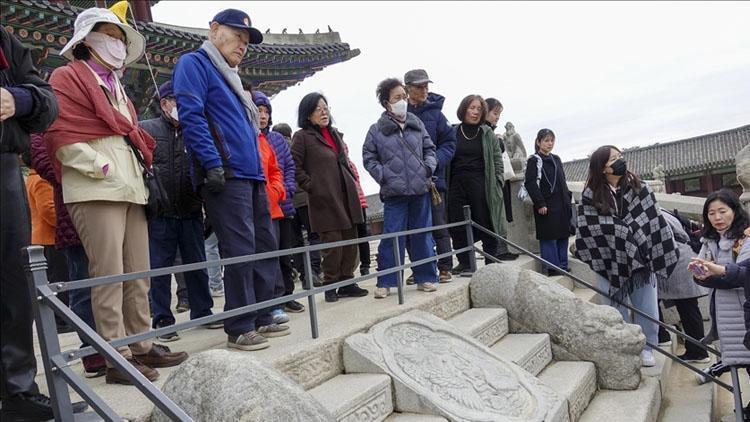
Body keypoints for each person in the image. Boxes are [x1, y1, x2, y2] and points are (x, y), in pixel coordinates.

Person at [44, 7, 189, 384]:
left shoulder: (117, 85)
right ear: (85, 39)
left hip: (130, 186)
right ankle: (116, 355)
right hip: (95, 187)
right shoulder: (66, 76)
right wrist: (100, 166)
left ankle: (141, 344)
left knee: (138, 273)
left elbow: (125, 133)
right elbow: (60, 136)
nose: (118, 43)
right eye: (109, 34)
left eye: (121, 37)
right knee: (107, 275)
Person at [173, 8, 288, 351]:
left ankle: (262, 313)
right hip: (226, 172)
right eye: (237, 36)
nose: (242, 45)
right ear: (214, 30)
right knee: (239, 249)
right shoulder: (195, 64)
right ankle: (239, 324)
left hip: (251, 173)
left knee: (264, 244)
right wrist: (211, 163)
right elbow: (192, 115)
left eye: (246, 40)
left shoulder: (233, 78)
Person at [1, 26, 89, 420]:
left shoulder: (4, 41)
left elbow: (45, 100)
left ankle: (19, 391)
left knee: (13, 286)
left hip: (3, 167)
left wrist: (16, 99)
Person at [574, 145, 679, 367]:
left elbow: (651, 219)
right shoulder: (590, 195)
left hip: (642, 256)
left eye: (620, 156)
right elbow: (588, 227)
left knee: (647, 306)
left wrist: (627, 231)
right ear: (602, 168)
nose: (620, 161)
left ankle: (648, 346)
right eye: (614, 159)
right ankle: (623, 346)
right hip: (608, 259)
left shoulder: (640, 188)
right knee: (614, 307)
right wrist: (621, 232)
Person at [140, 81, 218, 342]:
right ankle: (162, 318)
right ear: (164, 103)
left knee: (196, 263)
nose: (182, 106)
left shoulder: (196, 131)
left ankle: (203, 309)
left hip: (191, 207)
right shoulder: (147, 129)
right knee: (159, 268)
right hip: (160, 211)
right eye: (177, 100)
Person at [30, 134, 107, 378]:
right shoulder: (39, 132)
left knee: (111, 284)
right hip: (71, 222)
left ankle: (120, 344)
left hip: (101, 210)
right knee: (83, 289)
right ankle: (91, 350)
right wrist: (87, 167)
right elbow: (47, 164)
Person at [363, 78, 438, 299]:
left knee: (422, 235)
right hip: (394, 193)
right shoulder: (376, 130)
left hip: (420, 189)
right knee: (391, 236)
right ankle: (386, 280)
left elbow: (429, 149)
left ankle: (426, 276)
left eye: (404, 97)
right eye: (397, 98)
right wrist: (383, 175)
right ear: (387, 102)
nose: (402, 101)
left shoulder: (417, 123)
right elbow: (369, 158)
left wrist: (428, 167)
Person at [291, 92, 368, 302]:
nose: (323, 112)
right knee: (333, 244)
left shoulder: (334, 134)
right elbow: (294, 166)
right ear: (308, 115)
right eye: (318, 109)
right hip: (324, 198)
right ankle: (331, 285)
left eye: (325, 108)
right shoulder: (302, 137)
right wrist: (311, 186)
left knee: (350, 241)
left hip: (346, 194)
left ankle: (347, 281)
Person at [253, 91, 305, 317]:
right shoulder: (249, 138)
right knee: (268, 253)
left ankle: (287, 295)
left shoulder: (278, 140)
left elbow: (289, 168)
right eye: (259, 111)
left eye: (266, 112)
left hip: (283, 203)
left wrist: (287, 189)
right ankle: (271, 299)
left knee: (285, 253)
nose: (263, 116)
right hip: (261, 204)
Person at [690, 191, 750, 383]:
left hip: (744, 308)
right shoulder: (709, 239)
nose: (717, 217)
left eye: (722, 211)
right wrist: (699, 274)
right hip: (724, 311)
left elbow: (743, 275)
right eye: (711, 213)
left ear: (734, 210)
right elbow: (704, 272)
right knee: (739, 357)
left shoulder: (746, 237)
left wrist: (713, 273)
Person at [447, 95, 509, 275]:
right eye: (471, 108)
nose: (475, 112)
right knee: (457, 223)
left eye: (479, 109)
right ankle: (465, 261)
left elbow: (497, 160)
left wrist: (498, 180)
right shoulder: (453, 131)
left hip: (481, 181)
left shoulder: (486, 133)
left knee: (485, 220)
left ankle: (491, 261)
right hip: (457, 182)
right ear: (464, 109)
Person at [404, 69, 456, 282]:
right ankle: (419, 268)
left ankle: (444, 266)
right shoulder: (399, 113)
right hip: (408, 182)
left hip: (434, 180)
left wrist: (435, 163)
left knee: (438, 224)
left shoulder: (436, 114)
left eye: (426, 86)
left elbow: (449, 143)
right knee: (413, 228)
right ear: (408, 88)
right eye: (419, 86)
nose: (424, 90)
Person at [23, 150, 74, 334]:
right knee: (59, 280)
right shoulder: (41, 179)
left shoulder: (33, 178)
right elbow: (48, 209)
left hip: (45, 238)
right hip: (49, 238)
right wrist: (66, 225)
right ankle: (60, 320)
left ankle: (60, 318)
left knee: (57, 278)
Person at [656, 209, 710, 363]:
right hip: (685, 257)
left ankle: (698, 352)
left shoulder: (654, 214)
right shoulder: (662, 210)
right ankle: (697, 350)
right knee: (689, 308)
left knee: (687, 308)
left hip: (678, 263)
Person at [275, 122, 324, 290]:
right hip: (305, 199)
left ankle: (304, 276)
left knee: (295, 242)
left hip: (287, 202)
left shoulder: (274, 148)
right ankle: (315, 271)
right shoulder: (299, 146)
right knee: (314, 236)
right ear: (290, 134)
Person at [524, 129, 572, 275]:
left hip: (562, 202)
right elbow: (530, 183)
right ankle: (552, 268)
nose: (550, 143)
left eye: (552, 140)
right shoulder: (534, 160)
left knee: (563, 234)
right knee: (549, 237)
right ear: (538, 142)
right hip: (546, 204)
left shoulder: (556, 159)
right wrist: (540, 203)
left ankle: (562, 265)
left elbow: (562, 181)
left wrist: (568, 200)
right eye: (546, 140)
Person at [485, 97, 514, 225]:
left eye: (499, 114)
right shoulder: (486, 131)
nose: (497, 117)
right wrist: (500, 141)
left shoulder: (490, 131)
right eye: (495, 113)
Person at [350, 162, 372, 276]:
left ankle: (365, 265)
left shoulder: (348, 164)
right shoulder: (351, 163)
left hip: (357, 202)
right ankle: (365, 265)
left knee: (360, 235)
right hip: (359, 201)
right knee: (361, 235)